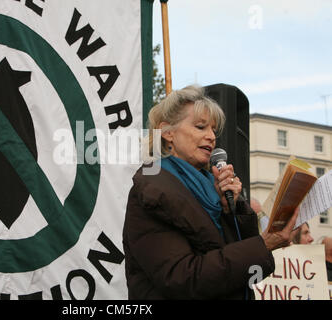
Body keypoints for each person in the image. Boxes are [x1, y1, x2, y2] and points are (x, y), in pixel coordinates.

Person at [122, 85, 299, 300]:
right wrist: (263, 245)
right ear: (167, 133)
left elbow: (251, 274)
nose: (211, 137)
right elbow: (183, 278)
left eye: (214, 130)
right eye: (200, 127)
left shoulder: (214, 191)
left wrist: (232, 210)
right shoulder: (152, 191)